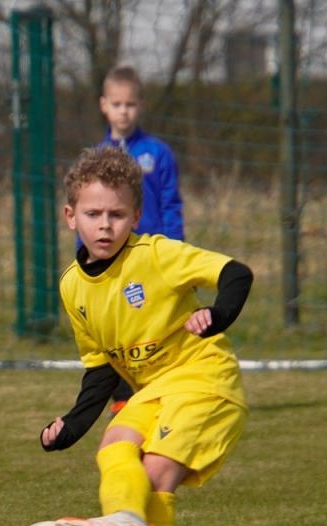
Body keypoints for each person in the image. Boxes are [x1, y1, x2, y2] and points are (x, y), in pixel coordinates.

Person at [39, 146, 253, 526]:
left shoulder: (155, 255)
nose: (105, 225)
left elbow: (235, 273)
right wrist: (69, 426)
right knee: (114, 445)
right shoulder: (73, 288)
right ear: (71, 216)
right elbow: (98, 370)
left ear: (135, 215)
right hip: (155, 389)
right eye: (93, 214)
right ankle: (125, 523)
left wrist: (216, 316)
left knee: (155, 474)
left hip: (205, 379)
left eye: (117, 214)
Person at [94, 65, 184, 414]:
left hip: (151, 256)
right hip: (112, 257)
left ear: (140, 106)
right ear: (104, 105)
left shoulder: (157, 153)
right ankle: (121, 397)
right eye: (117, 104)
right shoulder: (97, 155)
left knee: (155, 321)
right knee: (117, 325)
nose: (123, 111)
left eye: (130, 104)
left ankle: (164, 387)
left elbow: (171, 202)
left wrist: (173, 248)